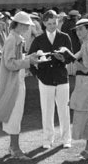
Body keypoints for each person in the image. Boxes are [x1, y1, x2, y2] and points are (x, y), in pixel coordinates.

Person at [0, 11, 39, 160]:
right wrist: (28, 61)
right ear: (18, 24)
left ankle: (14, 147)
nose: (27, 28)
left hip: (17, 79)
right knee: (15, 113)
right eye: (25, 25)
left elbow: (14, 60)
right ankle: (15, 148)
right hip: (14, 81)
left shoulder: (15, 38)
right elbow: (9, 63)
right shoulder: (13, 39)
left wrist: (29, 58)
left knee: (15, 113)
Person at [28, 10, 74, 149]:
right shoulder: (38, 40)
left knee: (64, 111)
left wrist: (64, 58)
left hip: (61, 78)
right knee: (47, 111)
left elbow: (71, 58)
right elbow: (30, 59)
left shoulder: (65, 37)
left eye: (55, 23)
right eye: (49, 24)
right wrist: (36, 74)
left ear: (58, 22)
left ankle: (66, 139)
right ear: (44, 24)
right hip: (45, 79)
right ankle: (47, 139)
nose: (53, 26)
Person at [69, 18, 88, 160]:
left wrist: (71, 59)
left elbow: (87, 69)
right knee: (86, 115)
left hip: (86, 82)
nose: (78, 32)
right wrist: (65, 56)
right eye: (77, 29)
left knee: (87, 116)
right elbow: (74, 58)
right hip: (83, 82)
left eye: (81, 29)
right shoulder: (86, 45)